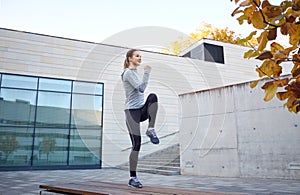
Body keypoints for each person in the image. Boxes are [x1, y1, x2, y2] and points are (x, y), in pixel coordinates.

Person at [121, 49, 160, 188]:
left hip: (140, 110)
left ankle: (151, 129)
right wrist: (147, 72)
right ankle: (133, 177)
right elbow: (141, 88)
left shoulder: (134, 73)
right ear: (130, 58)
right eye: (137, 56)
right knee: (136, 144)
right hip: (131, 113)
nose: (140, 58)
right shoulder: (127, 73)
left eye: (140, 56)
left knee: (153, 97)